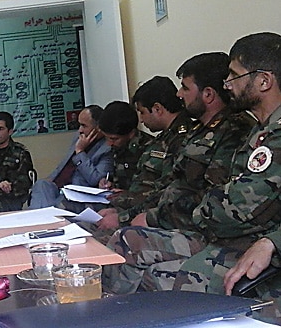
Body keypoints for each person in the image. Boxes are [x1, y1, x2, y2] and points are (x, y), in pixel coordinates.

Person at [102, 52, 256, 295]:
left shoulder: (234, 132)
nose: (178, 94)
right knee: (112, 237)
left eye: (185, 87)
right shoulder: (198, 132)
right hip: (177, 221)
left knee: (127, 241)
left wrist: (152, 218)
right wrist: (132, 213)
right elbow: (168, 187)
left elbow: (208, 198)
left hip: (203, 230)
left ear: (208, 94)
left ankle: (111, 311)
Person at [169, 33, 281, 319]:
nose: (227, 85)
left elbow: (241, 208)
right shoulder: (261, 130)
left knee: (190, 283)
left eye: (234, 76)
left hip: (260, 244)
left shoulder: (277, 136)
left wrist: (272, 242)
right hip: (253, 240)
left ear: (263, 81)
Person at [96, 76, 194, 232]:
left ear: (157, 109)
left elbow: (166, 192)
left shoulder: (183, 139)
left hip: (160, 219)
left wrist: (123, 213)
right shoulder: (164, 138)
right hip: (139, 210)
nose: (140, 120)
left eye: (142, 112)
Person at [28, 105, 113, 210]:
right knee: (41, 185)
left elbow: (95, 179)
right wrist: (51, 178)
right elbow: (65, 164)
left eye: (84, 126)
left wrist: (80, 152)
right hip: (59, 187)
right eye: (79, 125)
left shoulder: (107, 148)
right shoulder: (79, 137)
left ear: (98, 128)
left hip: (78, 195)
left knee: (51, 207)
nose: (80, 130)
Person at [97, 101, 154, 191]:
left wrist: (123, 195)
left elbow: (149, 192)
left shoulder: (151, 149)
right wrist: (110, 185)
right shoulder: (118, 147)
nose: (109, 143)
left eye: (114, 139)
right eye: (106, 138)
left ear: (131, 134)